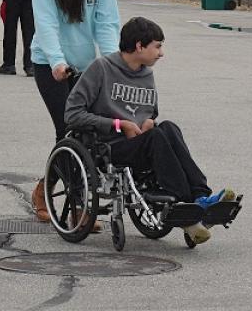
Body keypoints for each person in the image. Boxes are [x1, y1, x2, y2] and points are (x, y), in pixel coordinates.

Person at [64, 16, 237, 246]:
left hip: (140, 142)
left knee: (168, 127)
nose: (161, 53)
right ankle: (185, 205)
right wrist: (118, 124)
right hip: (109, 146)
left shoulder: (146, 74)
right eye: (157, 46)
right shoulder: (101, 68)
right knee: (155, 136)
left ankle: (200, 196)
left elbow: (150, 112)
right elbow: (72, 114)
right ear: (139, 45)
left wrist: (149, 121)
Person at [29, 0, 121, 222]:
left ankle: (45, 188)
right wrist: (56, 61)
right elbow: (46, 26)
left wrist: (110, 63)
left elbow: (107, 24)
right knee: (67, 130)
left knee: (86, 134)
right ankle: (79, 204)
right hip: (49, 64)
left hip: (85, 66)